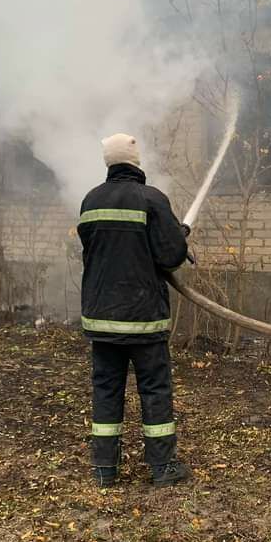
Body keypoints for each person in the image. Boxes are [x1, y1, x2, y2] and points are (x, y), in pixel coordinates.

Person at [78, 132, 192, 488]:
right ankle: (162, 467)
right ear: (136, 161)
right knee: (154, 390)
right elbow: (170, 255)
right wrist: (179, 235)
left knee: (106, 390)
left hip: (101, 319)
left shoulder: (90, 201)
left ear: (108, 163)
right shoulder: (151, 199)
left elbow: (97, 248)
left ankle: (103, 470)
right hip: (143, 320)